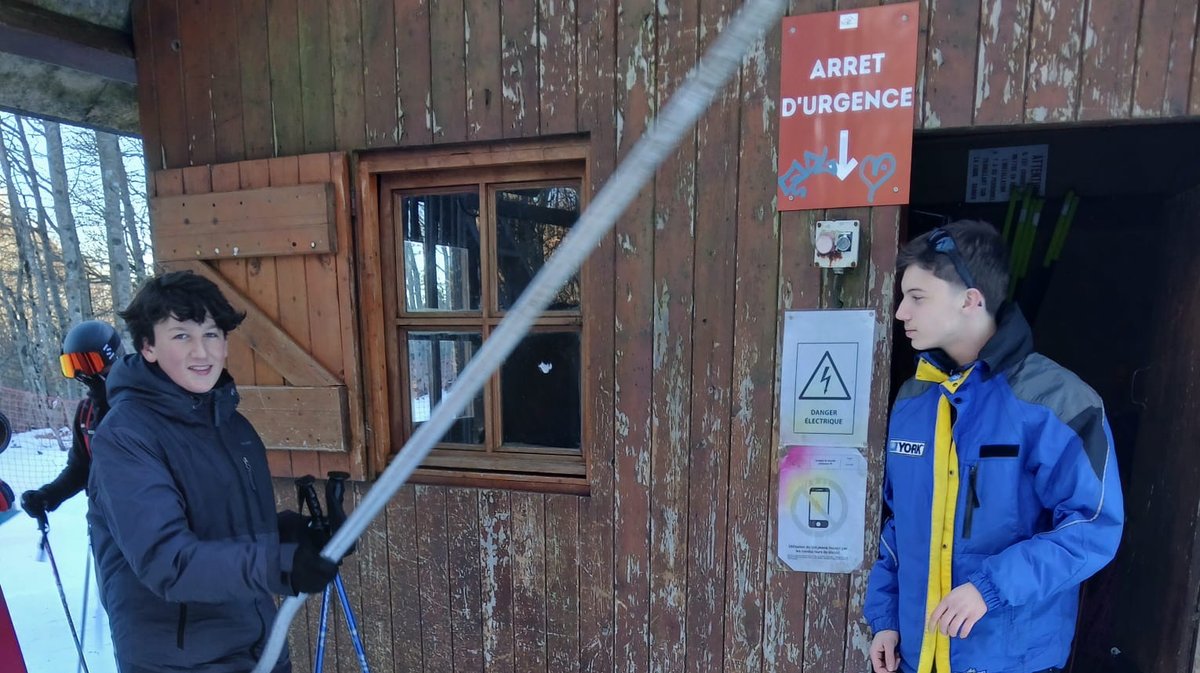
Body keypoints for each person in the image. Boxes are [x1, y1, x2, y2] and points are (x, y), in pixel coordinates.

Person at [864, 220, 1123, 673]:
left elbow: (1091, 527)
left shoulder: (1057, 403)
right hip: (916, 656)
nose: (901, 312)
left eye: (917, 297)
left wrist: (990, 587)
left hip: (1007, 659)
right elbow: (896, 524)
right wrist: (885, 619)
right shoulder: (913, 401)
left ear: (971, 300)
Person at [87, 270, 338, 673]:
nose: (201, 352)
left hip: (258, 646)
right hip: (179, 662)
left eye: (212, 334)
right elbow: (167, 561)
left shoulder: (232, 426)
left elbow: (225, 530)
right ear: (148, 346)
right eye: (181, 336)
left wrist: (298, 535)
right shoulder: (125, 437)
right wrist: (278, 564)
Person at [20, 320, 122, 523]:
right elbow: (81, 467)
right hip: (104, 520)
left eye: (88, 363)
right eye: (72, 366)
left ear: (113, 358)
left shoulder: (144, 404)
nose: (81, 374)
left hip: (150, 520)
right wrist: (49, 495)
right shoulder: (87, 412)